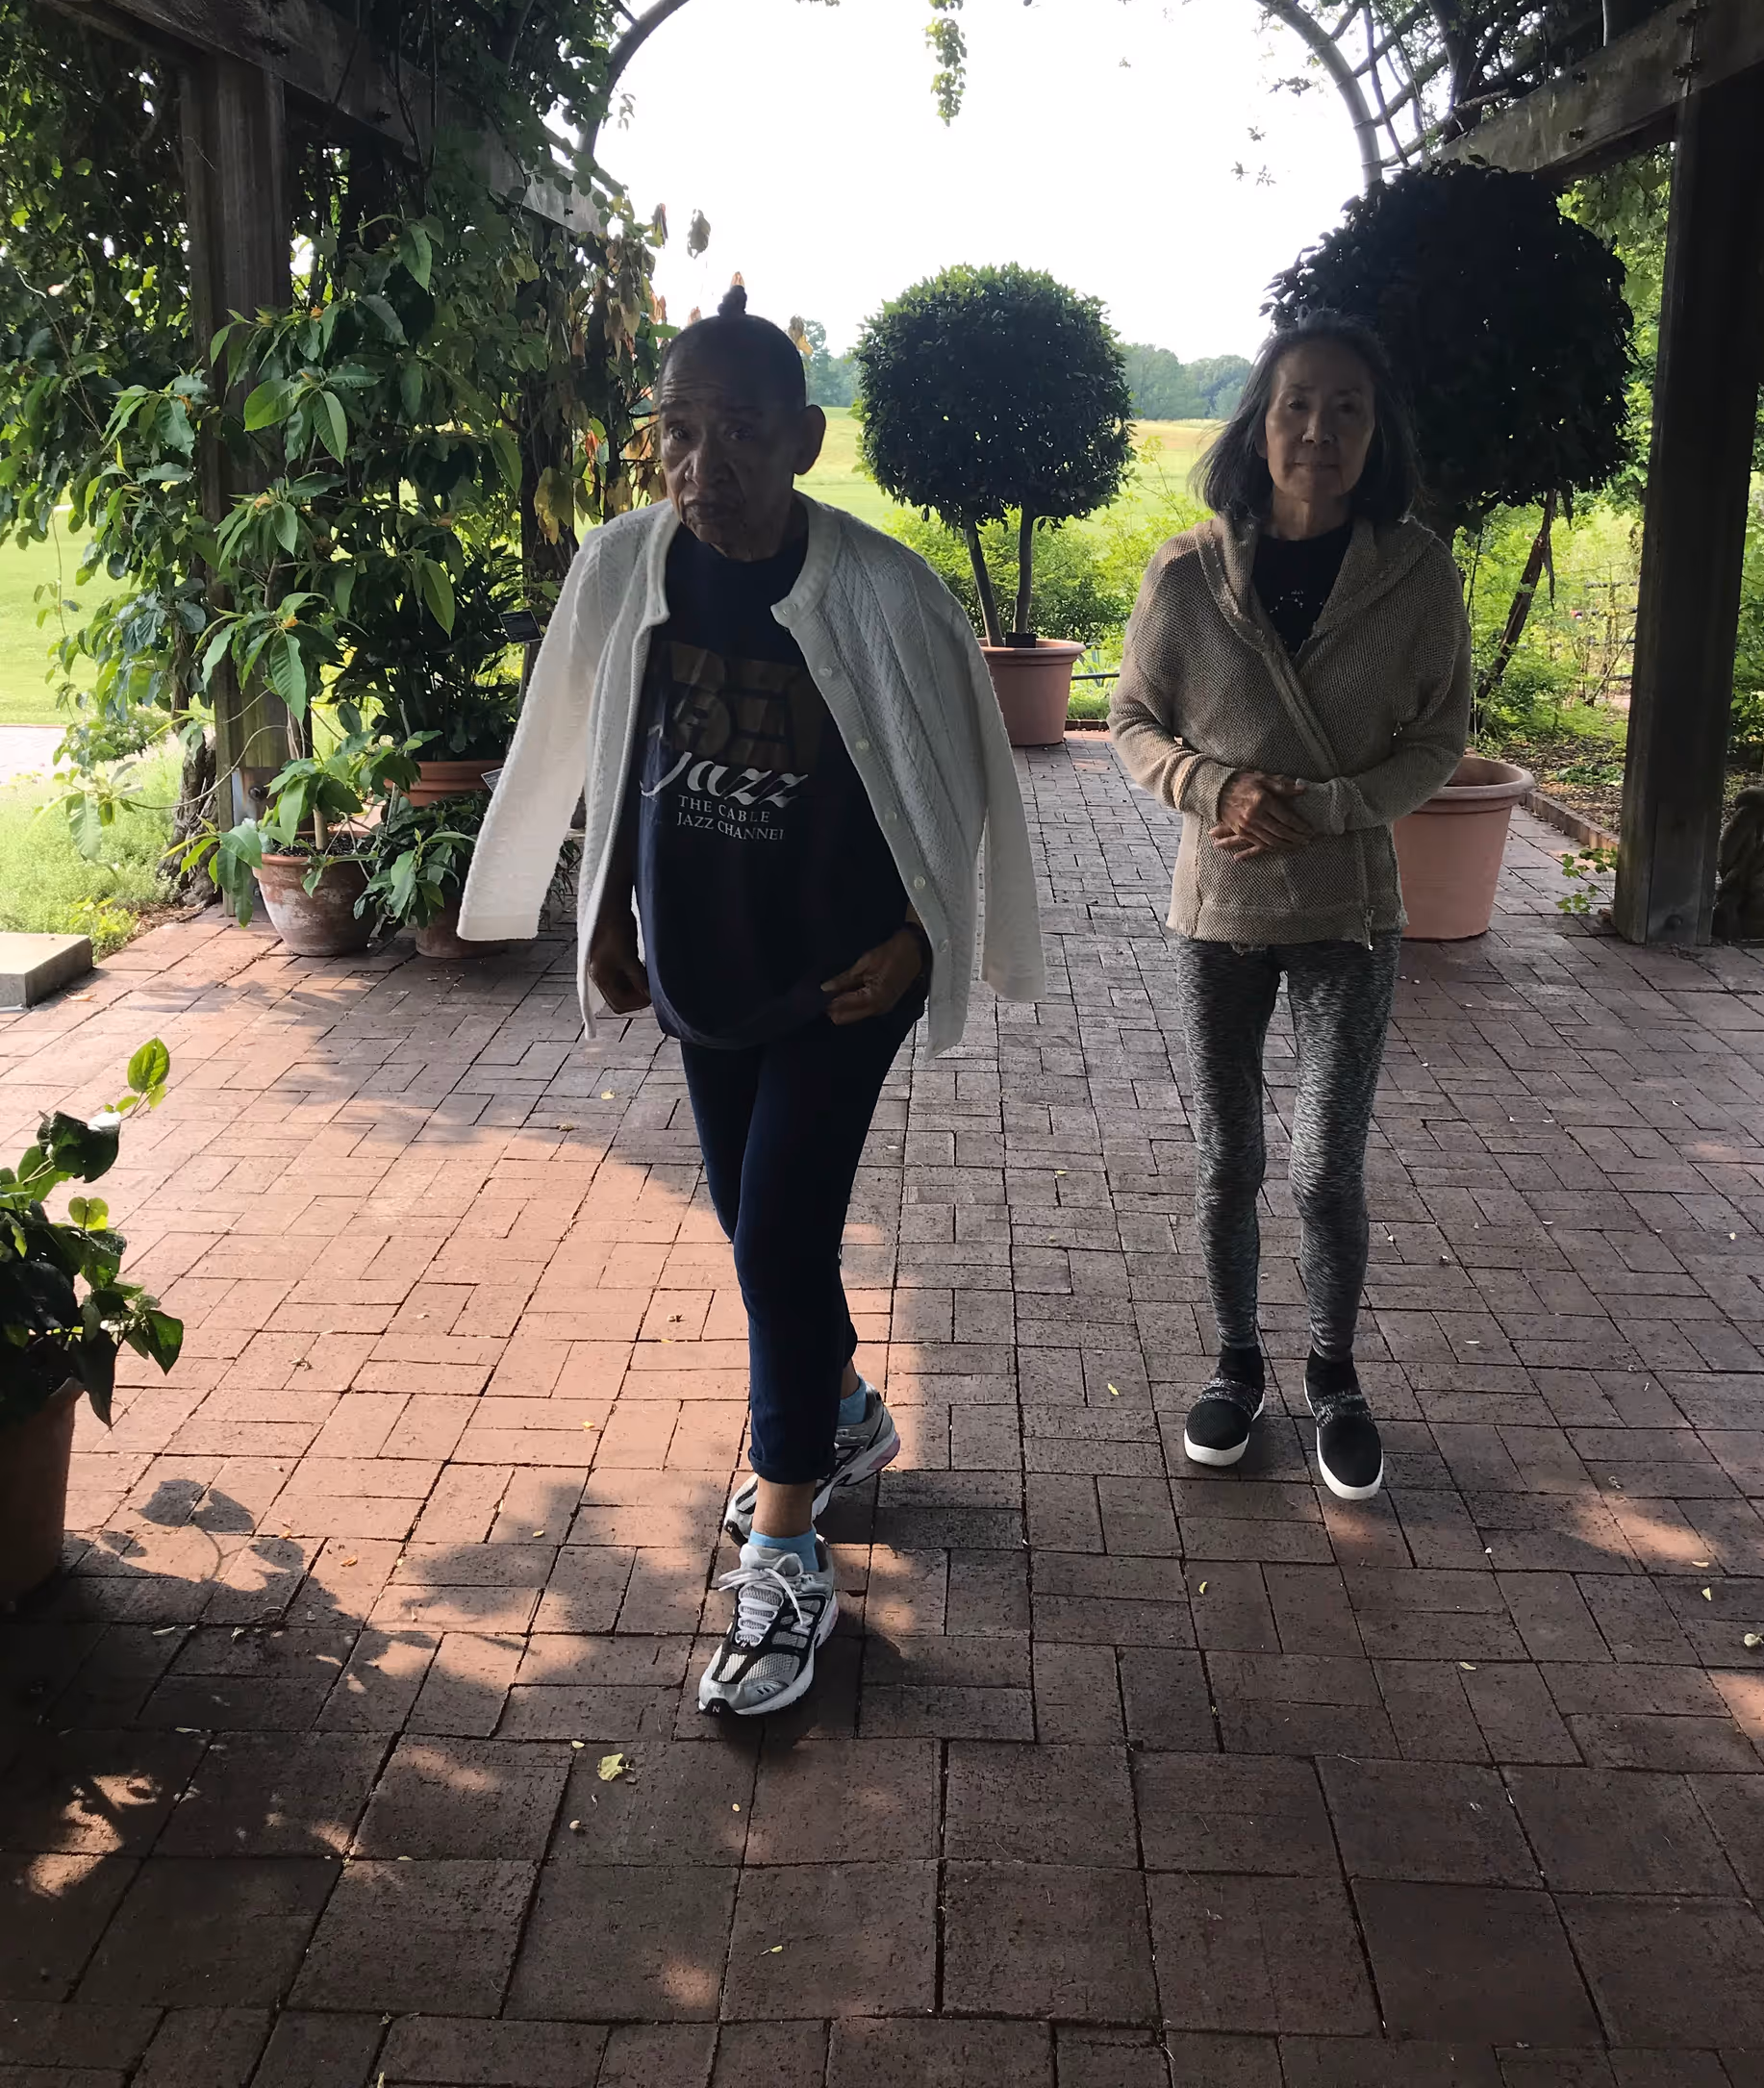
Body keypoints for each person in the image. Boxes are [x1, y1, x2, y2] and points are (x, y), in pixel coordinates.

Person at [458, 285, 1044, 1714]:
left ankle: (787, 1553)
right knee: (742, 1211)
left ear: (805, 439)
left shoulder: (886, 591)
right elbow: (598, 732)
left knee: (778, 1230)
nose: (700, 464)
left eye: (737, 433)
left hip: (846, 976)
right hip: (701, 960)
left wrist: (921, 935)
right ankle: (838, 1412)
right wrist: (602, 903)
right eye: (678, 430)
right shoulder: (624, 564)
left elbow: (956, 773)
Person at [1109, 312, 1469, 1501]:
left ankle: (1334, 1373)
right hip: (1219, 908)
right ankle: (1233, 1364)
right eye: (1296, 404)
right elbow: (1131, 723)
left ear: (1378, 431)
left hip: (1351, 911)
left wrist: (1341, 805)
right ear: (1259, 425)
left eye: (1347, 408)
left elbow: (1441, 734)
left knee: (1323, 1168)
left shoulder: (1417, 574)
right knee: (1227, 1157)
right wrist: (1212, 785)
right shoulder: (1186, 573)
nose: (1319, 429)